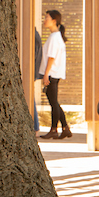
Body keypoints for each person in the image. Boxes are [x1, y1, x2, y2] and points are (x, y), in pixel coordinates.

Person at [39, 10, 70, 139]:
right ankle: (65, 128)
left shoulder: (54, 37)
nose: (44, 20)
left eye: (46, 18)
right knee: (54, 102)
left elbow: (51, 57)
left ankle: (54, 129)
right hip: (54, 73)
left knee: (53, 103)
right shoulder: (56, 36)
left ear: (54, 21)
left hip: (52, 74)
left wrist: (46, 75)